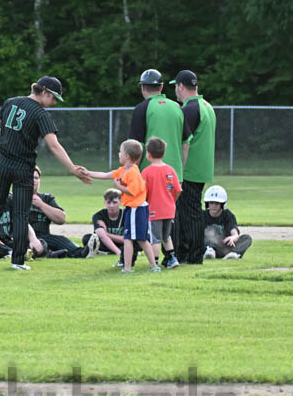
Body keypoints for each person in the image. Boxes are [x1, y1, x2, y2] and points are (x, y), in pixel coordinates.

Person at [0, 76, 92, 270]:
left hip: (2, 165)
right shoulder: (40, 114)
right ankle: (17, 261)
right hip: (23, 168)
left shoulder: (10, 102)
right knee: (20, 214)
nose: (54, 103)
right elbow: (54, 145)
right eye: (53, 98)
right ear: (44, 92)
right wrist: (72, 168)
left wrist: (7, 145)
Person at [83, 140, 160, 273]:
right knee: (137, 239)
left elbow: (132, 191)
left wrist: (118, 186)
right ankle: (150, 266)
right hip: (134, 209)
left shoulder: (133, 172)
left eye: (120, 152)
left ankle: (130, 268)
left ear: (127, 156)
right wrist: (87, 173)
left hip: (136, 209)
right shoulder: (124, 170)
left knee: (132, 239)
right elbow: (106, 175)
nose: (119, 154)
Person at [171, 70, 216, 265]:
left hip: (189, 169)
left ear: (181, 86)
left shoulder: (189, 109)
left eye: (176, 86)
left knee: (189, 214)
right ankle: (185, 252)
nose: (175, 90)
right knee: (189, 212)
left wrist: (178, 169)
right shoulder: (207, 106)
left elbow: (183, 141)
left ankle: (193, 254)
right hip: (202, 168)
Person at [28, 166, 101, 259]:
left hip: (45, 237)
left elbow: (61, 219)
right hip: (23, 237)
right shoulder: (15, 198)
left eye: (36, 178)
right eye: (30, 177)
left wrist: (41, 205)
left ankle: (82, 253)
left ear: (39, 181)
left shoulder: (47, 198)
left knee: (60, 240)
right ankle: (51, 254)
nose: (33, 180)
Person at [129, 68, 185, 176]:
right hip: (174, 174)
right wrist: (180, 170)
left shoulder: (141, 109)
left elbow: (136, 147)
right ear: (161, 86)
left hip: (148, 174)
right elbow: (186, 144)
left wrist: (132, 175)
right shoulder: (177, 107)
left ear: (143, 87)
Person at [141, 137, 182, 269]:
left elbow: (143, 193)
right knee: (166, 236)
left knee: (155, 238)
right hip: (169, 209)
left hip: (155, 210)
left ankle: (155, 263)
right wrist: (172, 201)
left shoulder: (146, 172)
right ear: (163, 153)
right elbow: (178, 190)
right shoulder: (170, 170)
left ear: (148, 154)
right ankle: (172, 258)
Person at [201, 185, 252, 260]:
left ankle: (233, 254)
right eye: (211, 203)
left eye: (217, 203)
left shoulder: (228, 215)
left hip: (225, 246)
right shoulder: (202, 215)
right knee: (211, 230)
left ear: (222, 204)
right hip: (207, 246)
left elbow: (234, 232)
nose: (214, 206)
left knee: (247, 238)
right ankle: (210, 251)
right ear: (207, 203)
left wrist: (234, 237)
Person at [89, 189, 127, 265]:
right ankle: (120, 251)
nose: (111, 206)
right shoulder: (98, 215)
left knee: (140, 240)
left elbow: (127, 238)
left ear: (120, 202)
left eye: (115, 202)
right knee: (87, 238)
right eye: (109, 202)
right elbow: (101, 235)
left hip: (123, 243)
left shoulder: (126, 214)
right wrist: (118, 252)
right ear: (104, 203)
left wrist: (107, 233)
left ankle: (108, 251)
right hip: (106, 242)